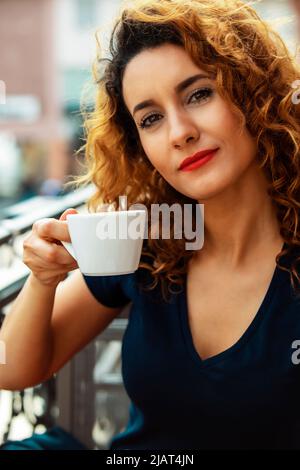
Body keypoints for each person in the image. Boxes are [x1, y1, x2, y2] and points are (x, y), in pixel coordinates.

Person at [1, 0, 300, 450]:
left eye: (199, 94)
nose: (179, 132)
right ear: (140, 144)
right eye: (151, 118)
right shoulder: (146, 240)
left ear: (252, 92)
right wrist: (43, 280)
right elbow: (14, 370)